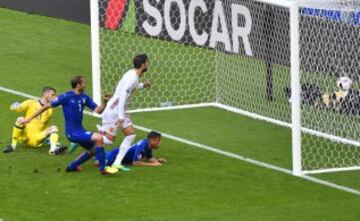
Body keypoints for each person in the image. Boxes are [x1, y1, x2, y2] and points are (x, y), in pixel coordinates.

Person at [21, 76, 118, 175]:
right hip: (72, 132)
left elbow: (98, 110)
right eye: (83, 83)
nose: (85, 85)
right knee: (99, 138)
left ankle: (72, 167)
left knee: (93, 150)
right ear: (78, 85)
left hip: (80, 130)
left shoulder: (84, 97)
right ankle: (103, 168)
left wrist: (104, 102)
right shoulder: (66, 96)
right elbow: (46, 106)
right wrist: (28, 119)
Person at [99, 53, 151, 170]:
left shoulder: (132, 75)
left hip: (119, 109)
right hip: (116, 110)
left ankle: (117, 163)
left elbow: (130, 87)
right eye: (147, 62)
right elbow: (123, 96)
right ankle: (87, 140)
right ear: (142, 65)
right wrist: (120, 116)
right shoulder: (132, 77)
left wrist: (143, 85)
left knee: (131, 135)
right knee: (108, 140)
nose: (148, 64)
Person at [3, 87, 66, 155]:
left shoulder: (49, 110)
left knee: (53, 127)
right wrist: (14, 106)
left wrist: (49, 137)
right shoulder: (31, 103)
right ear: (46, 95)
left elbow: (46, 126)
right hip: (25, 136)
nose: (54, 97)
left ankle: (53, 150)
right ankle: (13, 145)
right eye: (53, 94)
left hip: (36, 139)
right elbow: (16, 108)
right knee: (20, 119)